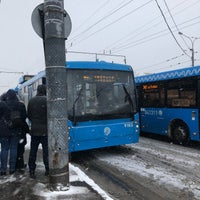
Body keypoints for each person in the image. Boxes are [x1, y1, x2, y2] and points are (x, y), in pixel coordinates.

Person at [27, 84, 49, 178]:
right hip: (45, 130)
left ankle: (32, 170)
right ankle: (47, 169)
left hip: (35, 130)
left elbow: (29, 115)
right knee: (46, 151)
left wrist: (35, 122)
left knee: (33, 151)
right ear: (44, 90)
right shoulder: (47, 100)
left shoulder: (31, 101)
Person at [5, 89, 27, 174]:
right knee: (20, 147)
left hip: (7, 129)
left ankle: (6, 166)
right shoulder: (21, 105)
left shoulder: (4, 104)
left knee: (6, 148)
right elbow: (24, 116)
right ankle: (19, 164)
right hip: (19, 129)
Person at [0, 93, 11, 175]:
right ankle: (3, 169)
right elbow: (9, 116)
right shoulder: (5, 105)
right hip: (3, 129)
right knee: (4, 149)